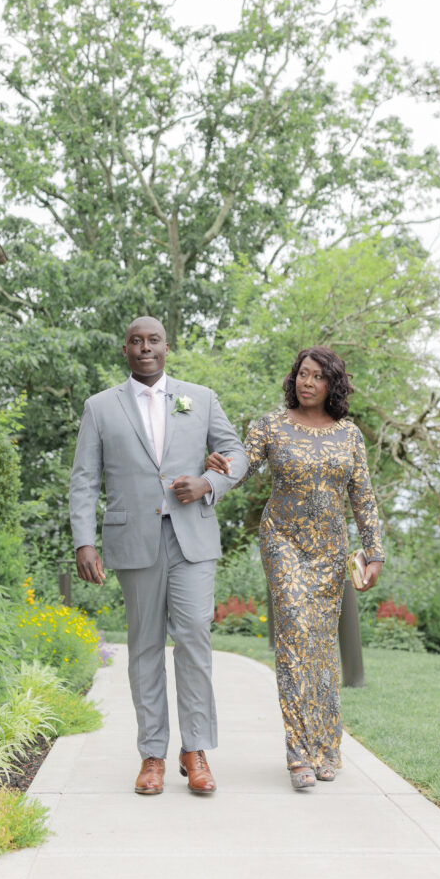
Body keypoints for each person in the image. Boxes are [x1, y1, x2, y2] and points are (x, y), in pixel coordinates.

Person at [69, 316, 248, 796]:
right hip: (134, 541)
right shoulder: (100, 407)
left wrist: (210, 482)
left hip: (192, 538)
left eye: (154, 341)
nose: (145, 348)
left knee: (193, 637)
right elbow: (84, 478)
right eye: (136, 341)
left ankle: (196, 750)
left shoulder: (200, 398)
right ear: (124, 349)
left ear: (167, 348)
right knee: (145, 645)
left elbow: (237, 452)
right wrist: (84, 541)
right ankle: (152, 755)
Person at [206, 346, 384, 790]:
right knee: (293, 637)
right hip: (283, 541)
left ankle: (327, 747)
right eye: (302, 374)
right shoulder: (271, 425)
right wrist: (216, 469)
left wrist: (374, 550)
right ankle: (298, 753)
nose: (307, 382)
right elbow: (242, 468)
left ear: (332, 386)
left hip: (330, 551)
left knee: (322, 647)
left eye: (317, 377)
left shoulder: (350, 435)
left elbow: (362, 496)